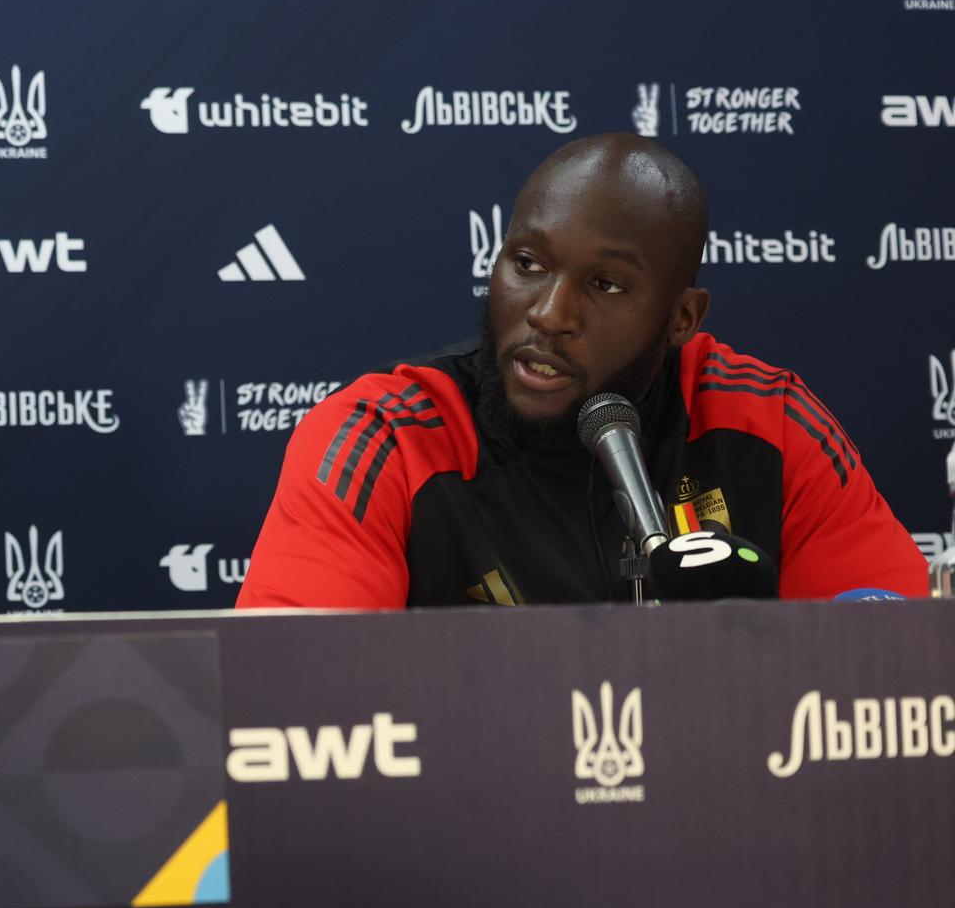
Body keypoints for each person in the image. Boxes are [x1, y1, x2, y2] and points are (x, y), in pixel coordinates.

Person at [239, 133, 927, 609]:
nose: (549, 313)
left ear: (683, 317)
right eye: (528, 264)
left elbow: (887, 670)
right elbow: (295, 706)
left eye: (607, 285)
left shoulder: (767, 421)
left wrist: (767, 644)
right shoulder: (385, 439)